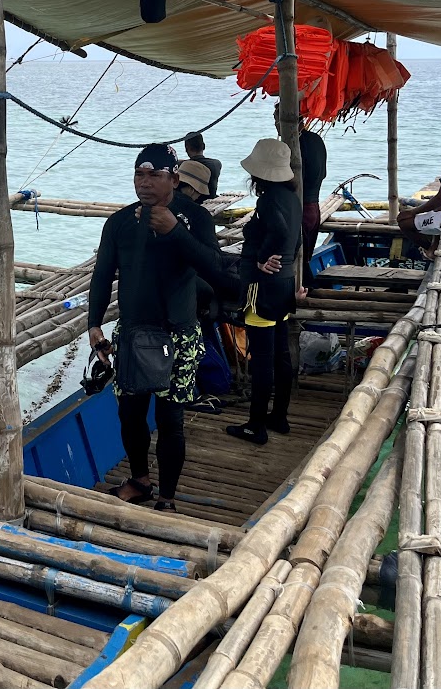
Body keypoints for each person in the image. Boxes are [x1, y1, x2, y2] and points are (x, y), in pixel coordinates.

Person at [87, 143, 218, 512]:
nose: (145, 183)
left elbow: (216, 268)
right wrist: (94, 323)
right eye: (139, 175)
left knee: (170, 418)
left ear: (174, 179)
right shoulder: (120, 222)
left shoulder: (195, 217)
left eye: (155, 175)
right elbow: (102, 275)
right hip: (131, 333)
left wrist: (176, 231)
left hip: (178, 334)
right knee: (129, 414)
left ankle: (168, 497)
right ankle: (141, 480)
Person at [225, 138, 303, 446]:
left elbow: (281, 233)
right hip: (282, 285)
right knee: (281, 355)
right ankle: (279, 416)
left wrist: (262, 257)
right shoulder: (291, 198)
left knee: (262, 360)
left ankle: (255, 425)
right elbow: (296, 239)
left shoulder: (269, 200)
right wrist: (283, 261)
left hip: (262, 288)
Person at [275, 106, 327, 285]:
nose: (275, 125)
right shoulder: (317, 140)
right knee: (304, 261)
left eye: (277, 120)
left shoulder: (294, 147)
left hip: (300, 210)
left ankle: (304, 295)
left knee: (294, 261)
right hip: (315, 207)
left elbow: (291, 181)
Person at [184, 132, 222, 199]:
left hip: (196, 203)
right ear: (204, 146)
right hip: (211, 198)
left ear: (186, 149)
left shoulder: (184, 167)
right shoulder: (216, 164)